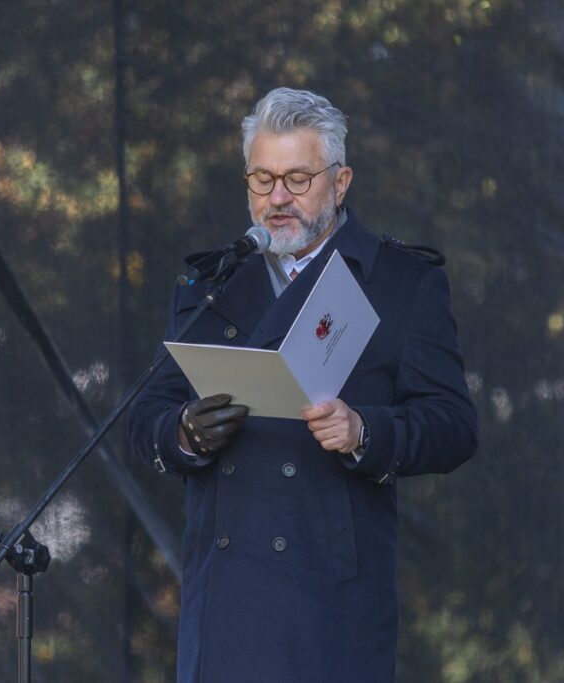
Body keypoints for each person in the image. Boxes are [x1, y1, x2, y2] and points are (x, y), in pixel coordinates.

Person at [127, 87, 477, 683]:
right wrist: (184, 433)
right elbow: (146, 420)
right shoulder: (208, 285)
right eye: (262, 180)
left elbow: (453, 425)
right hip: (226, 601)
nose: (278, 198)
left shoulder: (400, 281)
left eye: (297, 178)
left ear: (340, 183)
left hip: (330, 603)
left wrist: (366, 430)